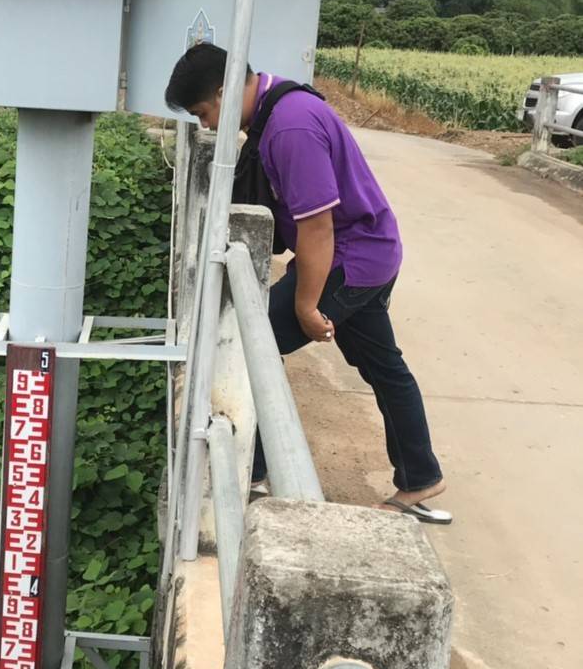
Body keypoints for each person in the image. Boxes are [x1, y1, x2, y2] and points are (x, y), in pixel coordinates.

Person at [164, 41, 450, 523]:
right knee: (383, 367)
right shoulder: (276, 110)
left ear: (224, 92)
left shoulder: (290, 127)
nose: (207, 126)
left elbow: (318, 226)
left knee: (250, 341)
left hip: (351, 259)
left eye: (204, 113)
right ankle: (421, 475)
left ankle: (252, 470)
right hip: (368, 250)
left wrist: (306, 304)